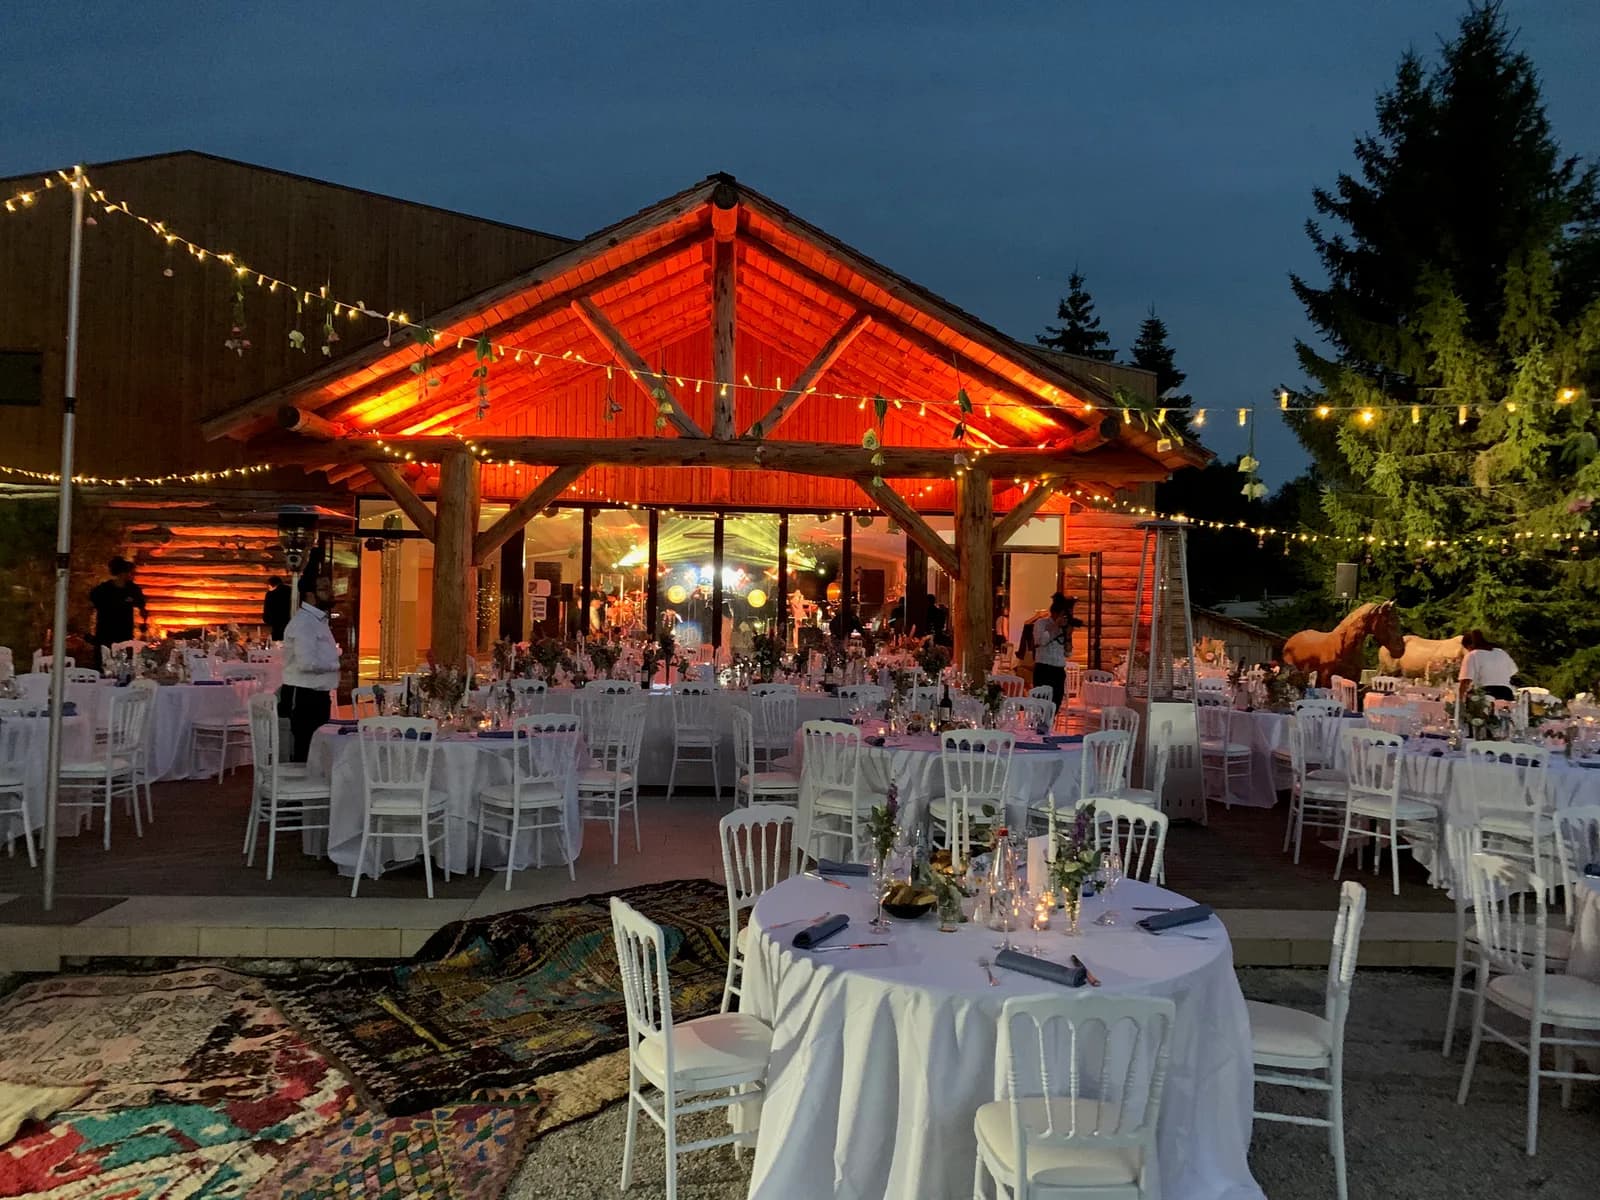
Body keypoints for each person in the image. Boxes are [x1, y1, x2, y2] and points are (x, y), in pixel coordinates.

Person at [278, 582, 340, 762]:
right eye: (324, 589)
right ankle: (303, 779)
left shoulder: (317, 621)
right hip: (303, 695)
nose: (331, 592)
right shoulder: (304, 623)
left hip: (316, 694)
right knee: (305, 751)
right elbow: (306, 663)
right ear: (310, 595)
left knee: (316, 750)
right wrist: (337, 664)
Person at [1030, 593, 1079, 710]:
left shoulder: (1065, 627)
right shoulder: (1041, 623)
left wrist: (1068, 636)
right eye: (1063, 614)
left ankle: (1051, 720)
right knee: (1040, 704)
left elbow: (1068, 653)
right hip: (1043, 669)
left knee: (1055, 704)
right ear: (1055, 613)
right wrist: (1056, 627)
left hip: (1058, 671)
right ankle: (1040, 721)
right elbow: (1041, 641)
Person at [88, 557, 148, 650]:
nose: (132, 576)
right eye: (130, 573)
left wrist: (144, 622)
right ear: (123, 573)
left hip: (124, 633)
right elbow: (92, 604)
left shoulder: (133, 589)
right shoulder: (103, 590)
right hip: (105, 632)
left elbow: (142, 606)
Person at [1458, 629, 1518, 702]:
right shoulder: (1501, 652)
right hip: (1506, 693)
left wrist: (1459, 700)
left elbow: (1465, 681)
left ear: (1469, 646)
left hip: (1485, 694)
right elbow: (1513, 671)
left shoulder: (1472, 655)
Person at [262, 576, 292, 641]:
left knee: (277, 642)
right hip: (290, 621)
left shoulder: (271, 594)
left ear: (271, 585)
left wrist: (266, 619)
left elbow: (267, 609)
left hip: (276, 623)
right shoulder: (290, 591)